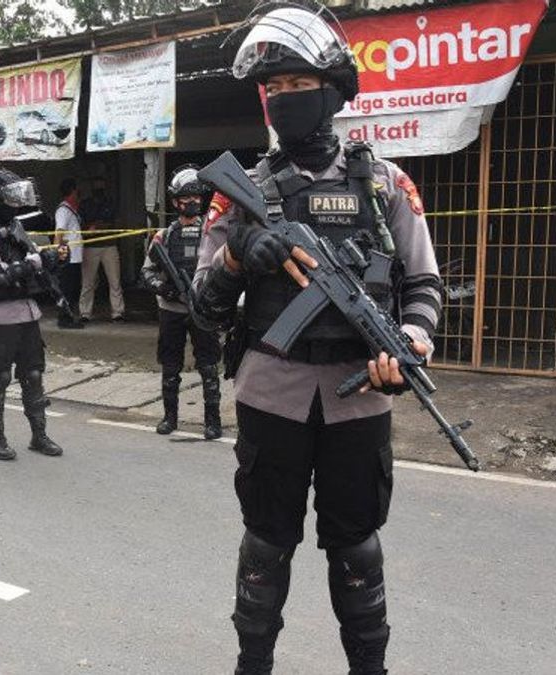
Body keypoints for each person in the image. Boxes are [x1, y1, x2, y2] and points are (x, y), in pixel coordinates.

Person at [192, 6, 442, 673]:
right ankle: (253, 665)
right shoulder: (239, 194)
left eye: (297, 86)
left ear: (333, 88)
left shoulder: (386, 184)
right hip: (271, 395)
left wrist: (411, 342)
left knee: (357, 546)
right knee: (266, 544)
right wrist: (241, 255)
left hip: (360, 400)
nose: (283, 100)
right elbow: (205, 307)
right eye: (272, 90)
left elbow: (423, 286)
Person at [0, 169, 67, 460]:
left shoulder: (17, 230)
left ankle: (39, 435)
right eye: (9, 199)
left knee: (33, 376)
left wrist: (52, 260)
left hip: (27, 315)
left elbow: (34, 264)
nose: (15, 205)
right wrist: (34, 262)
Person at [141, 165, 222, 440]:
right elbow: (147, 272)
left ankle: (213, 422)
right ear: (175, 202)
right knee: (170, 365)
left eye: (197, 198)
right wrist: (165, 290)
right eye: (187, 198)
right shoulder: (164, 236)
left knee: (209, 366)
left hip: (202, 310)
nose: (193, 203)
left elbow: (223, 268)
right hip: (172, 311)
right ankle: (170, 418)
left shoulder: (211, 232)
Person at [78, 178, 126, 321]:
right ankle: (85, 313)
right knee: (87, 282)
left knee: (115, 281)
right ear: (92, 188)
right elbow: (79, 225)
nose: (99, 190)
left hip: (109, 245)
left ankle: (117, 312)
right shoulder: (85, 205)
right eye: (96, 187)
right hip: (90, 246)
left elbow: (118, 223)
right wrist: (90, 227)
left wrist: (101, 226)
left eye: (101, 187)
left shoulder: (110, 203)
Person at [52, 178, 84, 329]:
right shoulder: (63, 211)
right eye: (77, 190)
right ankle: (65, 319)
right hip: (68, 258)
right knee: (67, 290)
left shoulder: (71, 210)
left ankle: (70, 317)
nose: (79, 193)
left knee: (73, 289)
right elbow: (59, 233)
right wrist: (57, 254)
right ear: (72, 191)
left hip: (75, 257)